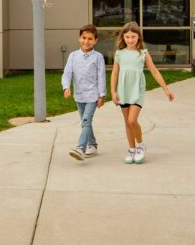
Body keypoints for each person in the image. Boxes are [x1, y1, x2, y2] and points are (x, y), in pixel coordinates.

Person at [110, 21, 174, 164]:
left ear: (139, 37)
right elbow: (114, 73)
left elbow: (154, 71)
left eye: (133, 37)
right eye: (127, 37)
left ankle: (140, 145)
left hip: (137, 91)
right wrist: (113, 92)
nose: (130, 40)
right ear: (123, 38)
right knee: (127, 122)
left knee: (133, 120)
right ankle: (131, 149)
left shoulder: (143, 53)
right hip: (123, 90)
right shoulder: (119, 53)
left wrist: (166, 89)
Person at [61, 24, 106, 161]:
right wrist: (66, 87)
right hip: (79, 96)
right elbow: (67, 73)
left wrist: (102, 95)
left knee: (86, 121)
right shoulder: (73, 56)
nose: (86, 41)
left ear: (95, 41)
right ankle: (93, 145)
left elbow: (101, 76)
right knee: (85, 122)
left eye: (90, 39)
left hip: (92, 95)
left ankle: (80, 148)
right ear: (79, 38)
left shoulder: (98, 57)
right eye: (84, 38)